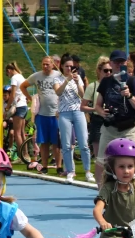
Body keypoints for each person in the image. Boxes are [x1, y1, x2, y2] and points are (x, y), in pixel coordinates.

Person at [93, 50, 135, 187]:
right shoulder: (106, 82)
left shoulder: (133, 82)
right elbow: (97, 105)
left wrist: (129, 96)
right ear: (110, 63)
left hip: (128, 128)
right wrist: (102, 112)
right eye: (116, 62)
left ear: (126, 63)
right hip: (110, 128)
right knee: (101, 162)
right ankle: (102, 194)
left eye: (122, 62)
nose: (118, 65)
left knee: (134, 161)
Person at [21, 56, 63, 174]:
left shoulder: (58, 75)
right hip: (42, 114)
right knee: (44, 142)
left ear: (52, 64)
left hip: (56, 114)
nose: (45, 66)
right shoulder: (36, 76)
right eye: (43, 64)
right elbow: (23, 86)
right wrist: (30, 98)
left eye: (47, 64)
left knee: (56, 142)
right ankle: (44, 166)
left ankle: (59, 166)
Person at [55, 55, 92, 183]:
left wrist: (77, 82)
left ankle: (88, 171)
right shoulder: (57, 78)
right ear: (62, 66)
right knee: (66, 145)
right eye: (67, 66)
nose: (70, 69)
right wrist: (67, 80)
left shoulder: (78, 78)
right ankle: (70, 171)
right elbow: (58, 92)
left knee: (84, 144)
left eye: (72, 67)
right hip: (64, 113)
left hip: (78, 111)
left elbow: (82, 95)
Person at [83, 57, 112, 161]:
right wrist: (96, 109)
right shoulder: (93, 86)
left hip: (112, 121)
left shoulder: (114, 85)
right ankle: (100, 176)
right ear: (99, 71)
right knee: (99, 155)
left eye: (110, 70)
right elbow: (83, 107)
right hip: (97, 120)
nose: (108, 73)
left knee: (112, 154)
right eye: (105, 70)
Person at [6, 62, 28, 159]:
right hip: (24, 105)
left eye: (8, 73)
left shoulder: (14, 78)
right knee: (22, 133)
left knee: (17, 133)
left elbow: (13, 94)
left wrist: (7, 107)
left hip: (18, 107)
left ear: (9, 71)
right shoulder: (21, 76)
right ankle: (26, 154)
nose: (9, 75)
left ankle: (21, 156)